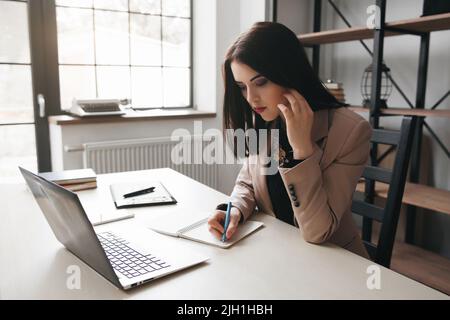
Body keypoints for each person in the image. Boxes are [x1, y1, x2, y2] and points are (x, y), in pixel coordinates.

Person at [207, 22, 371, 258]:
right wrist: (233, 211)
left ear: (289, 73)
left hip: (333, 261)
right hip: (278, 252)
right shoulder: (265, 119)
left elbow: (318, 232)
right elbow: (247, 184)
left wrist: (302, 149)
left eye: (261, 82)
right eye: (242, 87)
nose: (251, 98)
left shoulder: (350, 131)